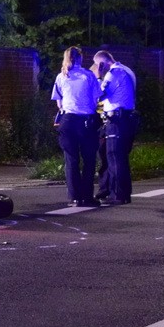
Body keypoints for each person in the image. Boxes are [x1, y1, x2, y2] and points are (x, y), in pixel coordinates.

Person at [51, 47, 102, 207]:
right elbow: (96, 100)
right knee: (89, 159)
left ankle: (74, 197)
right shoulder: (88, 76)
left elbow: (58, 102)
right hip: (86, 121)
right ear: (80, 58)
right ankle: (87, 196)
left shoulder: (61, 76)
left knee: (71, 159)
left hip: (67, 121)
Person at [93, 50, 137, 204]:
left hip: (117, 120)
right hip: (126, 119)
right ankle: (116, 191)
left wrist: (98, 77)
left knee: (114, 157)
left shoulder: (113, 74)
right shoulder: (127, 70)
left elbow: (99, 95)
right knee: (117, 156)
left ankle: (118, 195)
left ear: (102, 64)